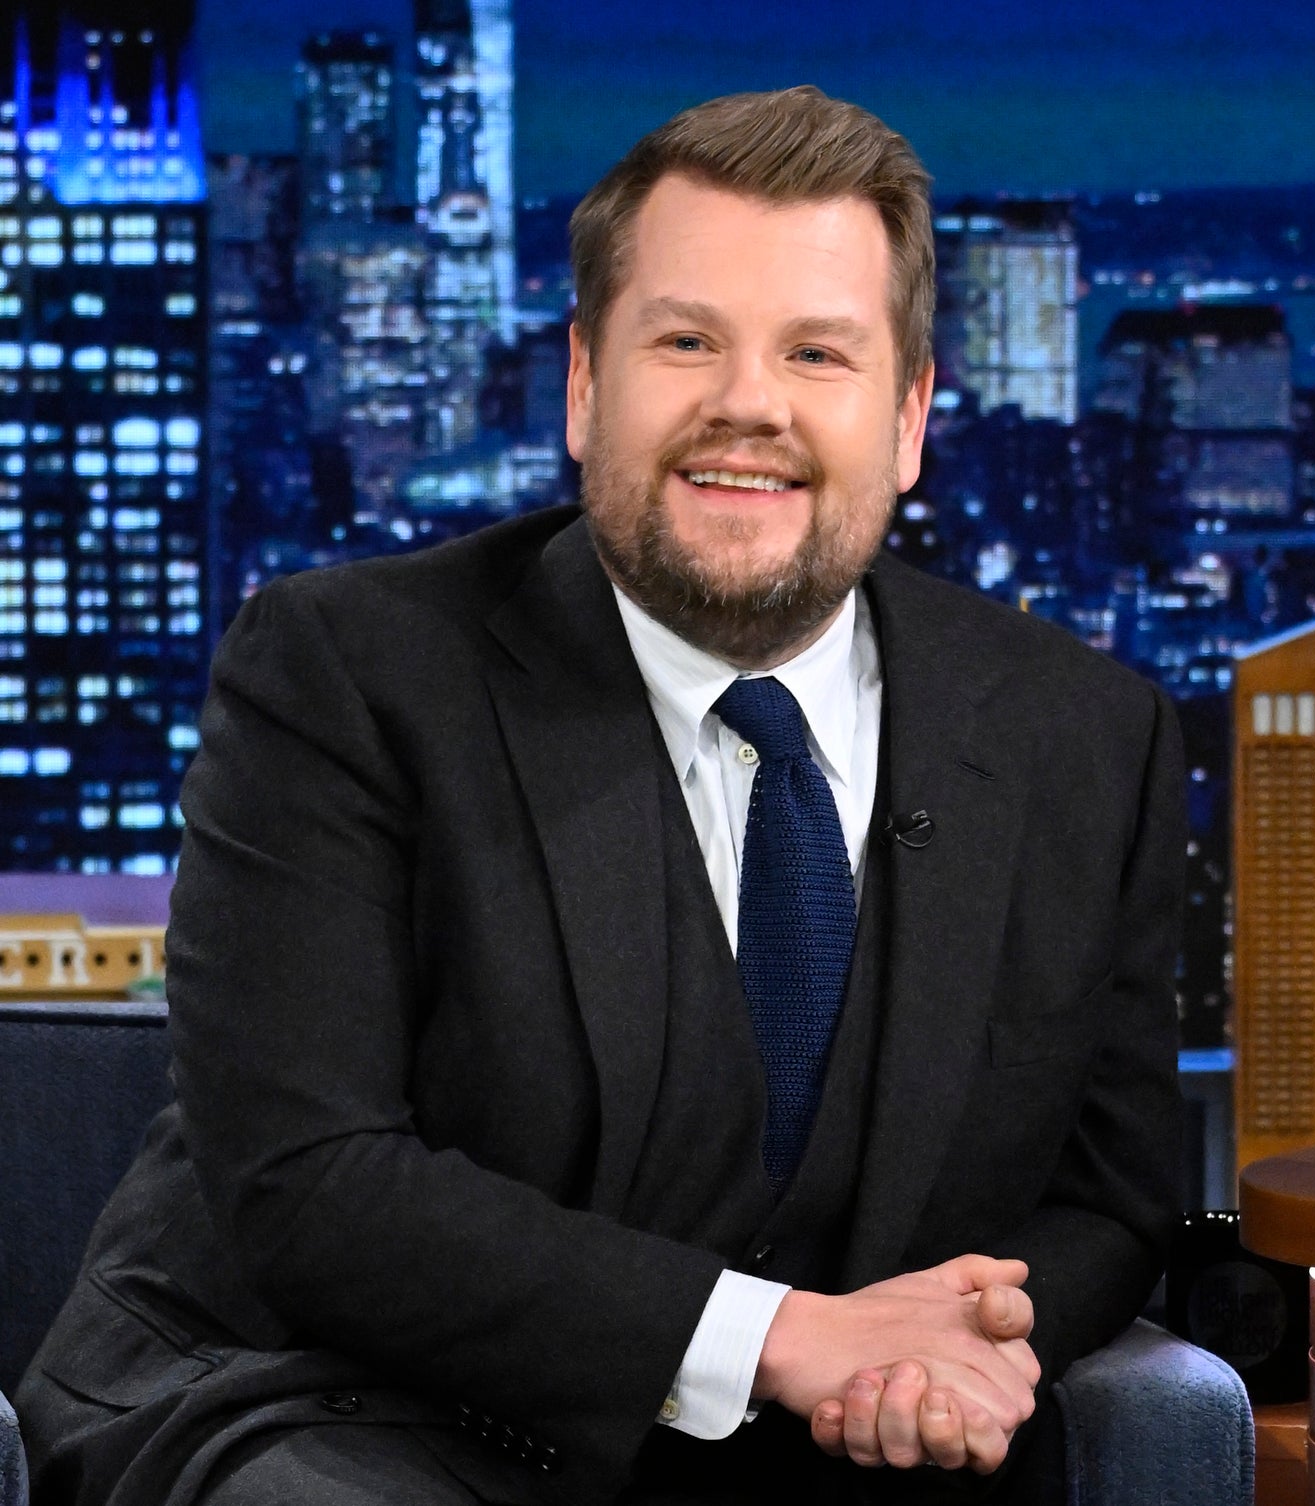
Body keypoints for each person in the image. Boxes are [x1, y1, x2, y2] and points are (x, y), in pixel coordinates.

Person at [17, 87, 1185, 1506]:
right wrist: (782, 1338)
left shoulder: (1087, 735)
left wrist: (967, 1353)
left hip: (846, 1460)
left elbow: (1110, 1193)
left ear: (913, 414)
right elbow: (308, 1183)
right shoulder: (342, 672)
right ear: (584, 385)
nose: (746, 402)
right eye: (685, 340)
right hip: (348, 1410)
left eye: (817, 351)